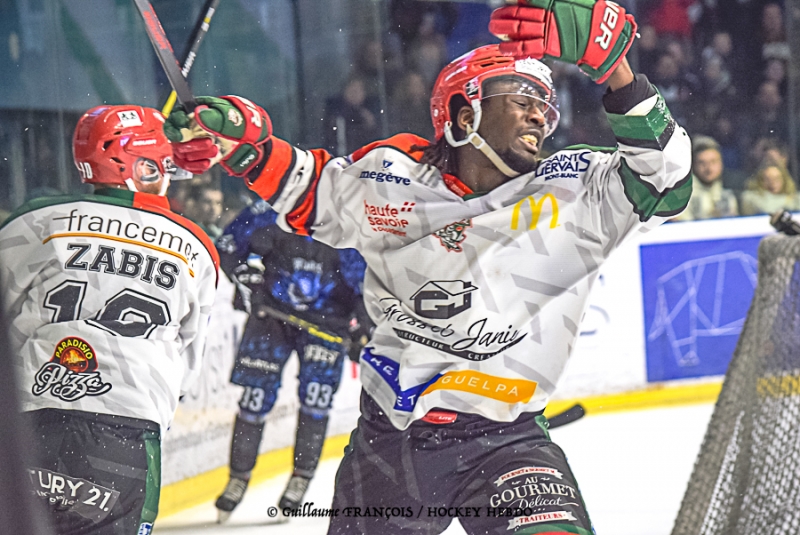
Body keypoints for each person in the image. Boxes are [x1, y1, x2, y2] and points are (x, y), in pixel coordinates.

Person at [163, 1, 692, 532]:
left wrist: (618, 73)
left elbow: (667, 184)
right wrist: (240, 143)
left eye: (546, 104)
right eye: (523, 98)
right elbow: (308, 189)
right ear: (466, 115)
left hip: (507, 443)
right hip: (390, 443)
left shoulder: (578, 188)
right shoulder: (394, 176)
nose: (541, 114)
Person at [0, 105, 219, 535]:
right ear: (140, 162)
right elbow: (189, 364)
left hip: (32, 418)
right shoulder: (195, 246)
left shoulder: (38, 220)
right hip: (128, 426)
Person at [213, 200, 371, 522]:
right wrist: (247, 279)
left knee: (316, 400)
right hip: (271, 317)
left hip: (328, 324)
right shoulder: (270, 208)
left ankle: (301, 477)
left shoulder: (348, 213)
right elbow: (227, 247)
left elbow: (370, 280)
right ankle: (237, 478)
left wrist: (365, 324)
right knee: (254, 398)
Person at [674, 136, 739, 220]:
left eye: (713, 162)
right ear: (693, 165)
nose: (709, 168)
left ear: (721, 163)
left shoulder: (728, 192)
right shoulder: (682, 196)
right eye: (702, 163)